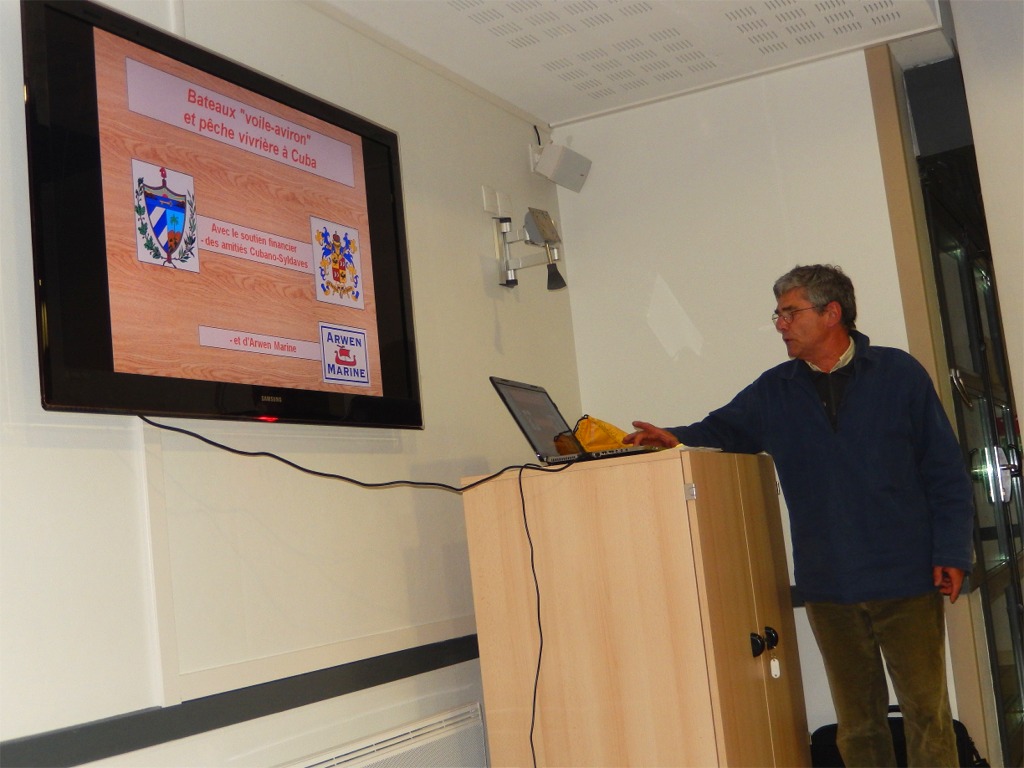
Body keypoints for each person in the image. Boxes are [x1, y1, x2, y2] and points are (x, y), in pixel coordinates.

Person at [624, 264, 975, 768]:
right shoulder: (775, 389)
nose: (780, 324)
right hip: (828, 585)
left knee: (927, 715)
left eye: (790, 312)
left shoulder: (899, 374)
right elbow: (720, 430)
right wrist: (673, 438)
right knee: (857, 725)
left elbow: (945, 471)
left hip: (907, 578)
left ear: (832, 313)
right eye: (779, 314)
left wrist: (951, 552)